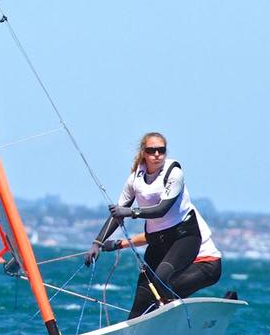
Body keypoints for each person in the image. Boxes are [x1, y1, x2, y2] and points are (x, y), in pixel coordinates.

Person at [86, 132, 219, 318]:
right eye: (151, 150)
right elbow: (118, 214)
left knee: (162, 279)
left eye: (161, 150)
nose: (157, 154)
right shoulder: (135, 179)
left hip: (184, 237)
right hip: (159, 243)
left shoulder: (174, 173)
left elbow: (161, 210)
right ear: (143, 153)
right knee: (143, 293)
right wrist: (97, 242)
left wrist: (131, 212)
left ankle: (178, 321)